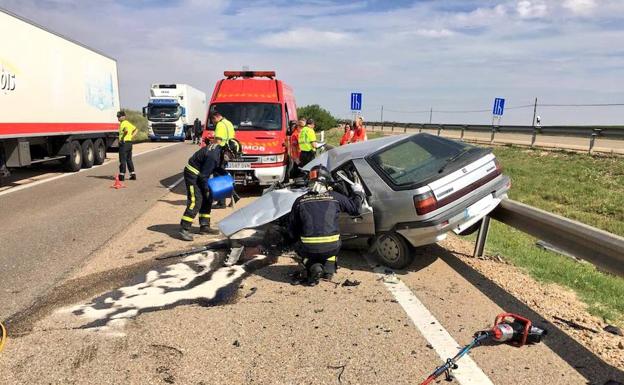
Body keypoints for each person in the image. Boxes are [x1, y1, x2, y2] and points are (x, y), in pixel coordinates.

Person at [288, 165, 365, 286]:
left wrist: (297, 240)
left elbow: (292, 229)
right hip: (332, 247)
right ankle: (329, 269)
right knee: (332, 243)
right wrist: (358, 192)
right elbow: (356, 210)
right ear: (327, 181)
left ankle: (312, 265)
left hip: (309, 249)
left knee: (300, 246)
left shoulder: (299, 201)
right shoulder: (335, 197)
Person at [179, 138, 237, 241]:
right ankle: (184, 228)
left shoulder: (220, 152)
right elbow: (203, 177)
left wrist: (228, 179)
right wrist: (207, 189)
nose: (231, 158)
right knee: (196, 201)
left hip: (200, 174)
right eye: (232, 155)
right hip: (192, 174)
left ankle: (204, 226)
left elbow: (217, 168)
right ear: (226, 149)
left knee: (208, 199)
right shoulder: (213, 156)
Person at [117, 110, 137, 181]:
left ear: (123, 116)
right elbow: (136, 129)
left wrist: (122, 138)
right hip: (129, 143)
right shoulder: (128, 123)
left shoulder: (123, 123)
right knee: (129, 159)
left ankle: (121, 176)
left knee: (122, 160)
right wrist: (131, 136)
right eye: (117, 116)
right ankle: (133, 174)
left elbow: (126, 131)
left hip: (124, 143)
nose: (118, 118)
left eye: (119, 116)